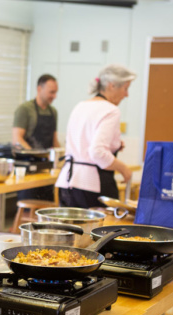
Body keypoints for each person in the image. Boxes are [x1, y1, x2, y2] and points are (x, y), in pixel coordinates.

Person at [56, 64, 135, 209]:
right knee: (102, 231)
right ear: (112, 86)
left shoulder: (80, 106)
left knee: (69, 230)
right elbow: (97, 152)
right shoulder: (111, 110)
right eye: (125, 88)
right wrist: (124, 169)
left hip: (67, 182)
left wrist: (115, 144)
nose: (127, 94)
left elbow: (81, 142)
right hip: (92, 187)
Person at [11, 74, 61, 201]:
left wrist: (62, 157)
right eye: (51, 92)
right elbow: (17, 138)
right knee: (29, 205)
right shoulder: (25, 110)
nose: (54, 96)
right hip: (29, 168)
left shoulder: (53, 112)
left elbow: (54, 141)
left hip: (46, 168)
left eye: (56, 92)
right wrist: (36, 156)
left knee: (46, 205)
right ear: (39, 89)